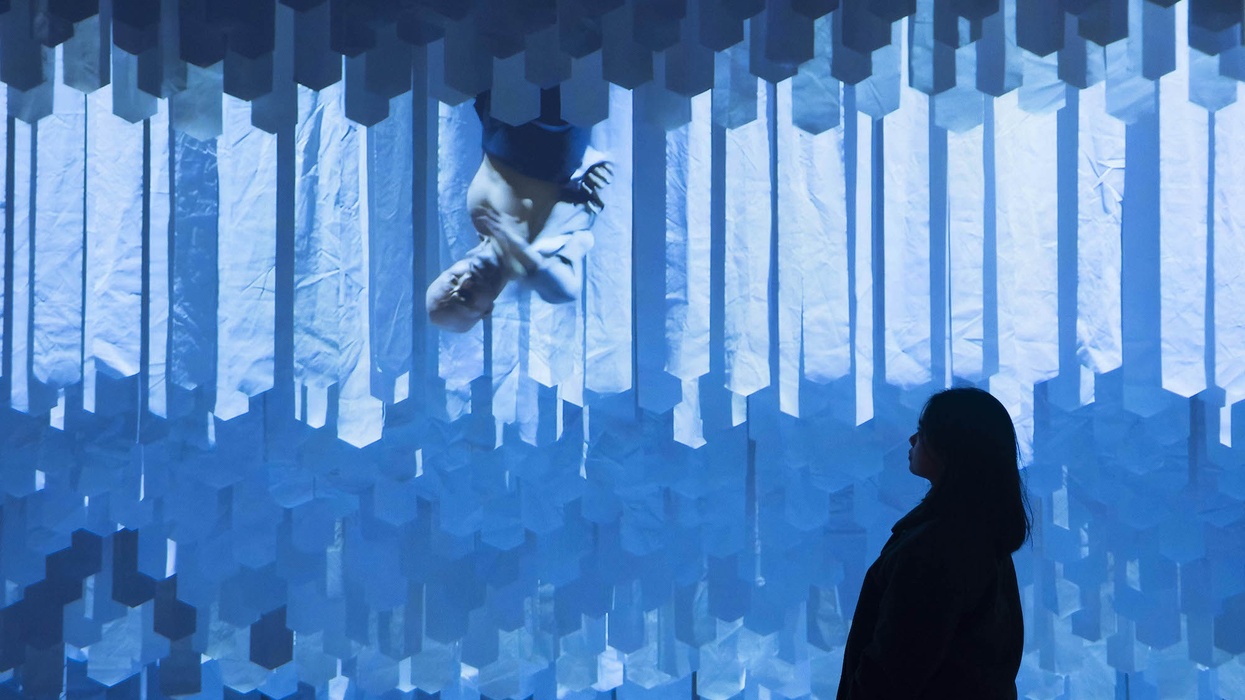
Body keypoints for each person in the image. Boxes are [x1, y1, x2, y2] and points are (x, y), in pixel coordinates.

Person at [837, 387, 1031, 699]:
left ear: (951, 448)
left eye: (923, 432)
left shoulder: (936, 548)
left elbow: (894, 667)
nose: (912, 441)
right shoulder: (979, 533)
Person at [427, 88, 612, 333]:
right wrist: (518, 249)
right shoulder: (545, 254)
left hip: (507, 89)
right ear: (487, 310)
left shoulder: (480, 217)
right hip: (561, 109)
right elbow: (566, 290)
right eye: (465, 297)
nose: (465, 281)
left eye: (453, 278)